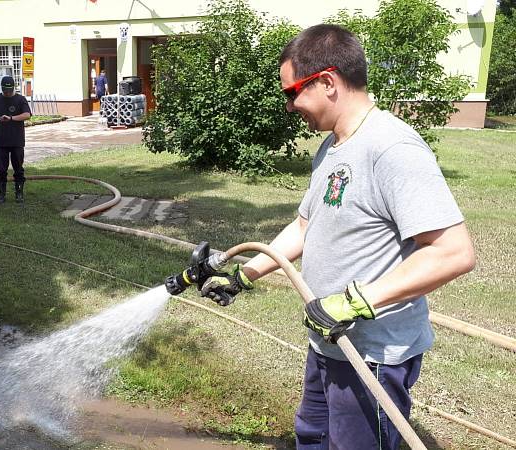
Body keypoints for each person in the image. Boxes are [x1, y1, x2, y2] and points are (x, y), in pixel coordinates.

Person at [196, 24, 476, 449]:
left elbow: (453, 252)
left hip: (373, 354)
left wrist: (354, 302)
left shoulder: (392, 148)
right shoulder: (332, 147)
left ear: (327, 82)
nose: (290, 106)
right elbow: (307, 227)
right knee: (312, 437)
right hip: (329, 342)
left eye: (293, 92)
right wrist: (243, 276)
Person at [0, 75, 32, 203]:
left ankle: (19, 193)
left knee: (18, 168)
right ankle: (1, 194)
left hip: (17, 141)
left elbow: (27, 115)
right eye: (5, 91)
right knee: (0, 169)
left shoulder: (20, 100)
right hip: (1, 141)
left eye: (9, 91)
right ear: (1, 88)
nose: (7, 93)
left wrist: (11, 118)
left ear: (13, 88)